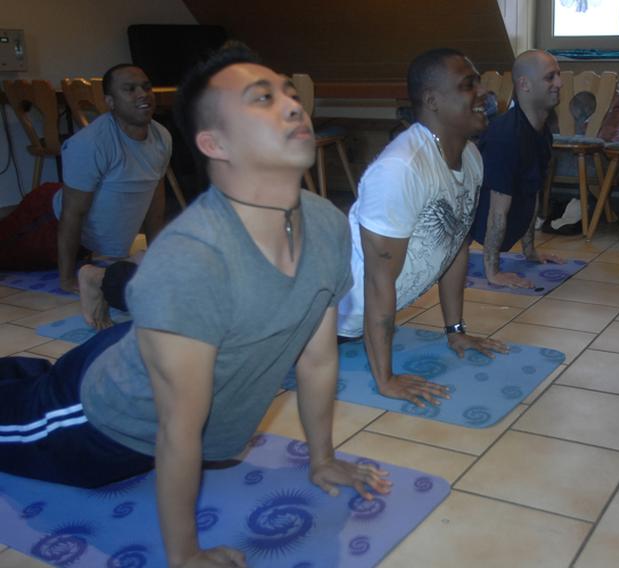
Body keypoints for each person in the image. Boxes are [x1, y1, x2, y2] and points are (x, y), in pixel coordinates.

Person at [0, 45, 389, 568]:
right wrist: (185, 555)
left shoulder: (325, 223)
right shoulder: (191, 258)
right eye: (263, 100)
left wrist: (322, 460)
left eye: (291, 95)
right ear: (214, 142)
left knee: (27, 376)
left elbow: (316, 357)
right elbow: (177, 428)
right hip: (94, 416)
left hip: (159, 346)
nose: (293, 106)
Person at [336, 48, 509, 407]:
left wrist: (455, 331)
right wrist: (385, 379)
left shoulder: (472, 158)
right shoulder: (402, 169)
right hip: (313, 322)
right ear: (432, 100)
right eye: (468, 85)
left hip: (353, 327)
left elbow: (456, 246)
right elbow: (376, 279)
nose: (484, 94)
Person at [0, 63, 171, 330]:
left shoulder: (162, 138)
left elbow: (155, 204)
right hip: (46, 220)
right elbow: (72, 213)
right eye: (130, 89)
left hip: (87, 243)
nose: (142, 94)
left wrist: (157, 258)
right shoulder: (92, 143)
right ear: (110, 102)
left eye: (146, 87)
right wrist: (67, 278)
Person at [470, 50, 565, 288]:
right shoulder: (506, 137)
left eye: (558, 76)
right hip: (475, 227)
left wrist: (530, 251)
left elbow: (532, 191)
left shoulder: (542, 132)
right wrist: (493, 272)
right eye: (550, 77)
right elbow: (496, 211)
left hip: (507, 223)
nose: (559, 83)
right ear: (524, 84)